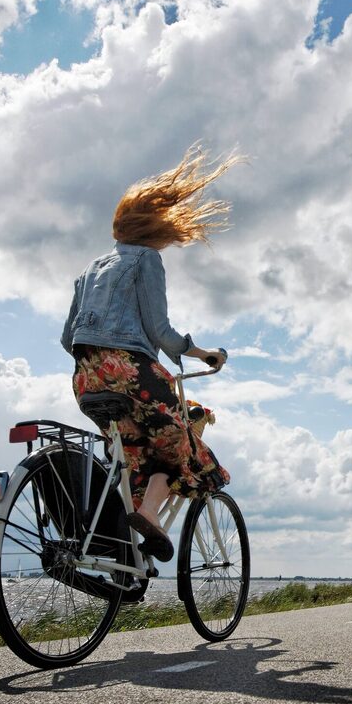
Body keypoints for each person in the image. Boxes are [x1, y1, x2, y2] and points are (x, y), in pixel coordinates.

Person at [61, 145, 243, 562]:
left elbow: (66, 337)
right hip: (131, 374)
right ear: (155, 227)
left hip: (86, 378)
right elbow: (161, 332)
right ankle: (148, 513)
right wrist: (203, 353)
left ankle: (141, 526)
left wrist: (99, 357)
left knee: (142, 451)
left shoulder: (90, 268)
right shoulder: (146, 260)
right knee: (189, 440)